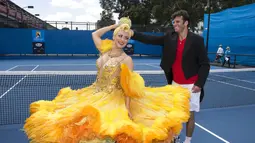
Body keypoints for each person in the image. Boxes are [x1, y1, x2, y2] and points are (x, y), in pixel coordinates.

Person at [23, 17, 191, 143]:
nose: (123, 40)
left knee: (106, 131)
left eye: (126, 38)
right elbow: (94, 33)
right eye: (120, 35)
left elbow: (127, 87)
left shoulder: (127, 60)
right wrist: (112, 26)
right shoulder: (104, 48)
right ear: (115, 35)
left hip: (113, 99)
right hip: (95, 93)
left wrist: (127, 109)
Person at [130, 10, 210, 143]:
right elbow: (151, 39)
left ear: (186, 23)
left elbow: (205, 64)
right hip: (175, 84)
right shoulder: (169, 37)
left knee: (189, 115)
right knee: (173, 114)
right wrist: (133, 34)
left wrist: (199, 84)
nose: (175, 24)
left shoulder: (197, 40)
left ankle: (188, 140)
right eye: (174, 22)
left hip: (192, 86)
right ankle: (174, 137)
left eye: (178, 21)